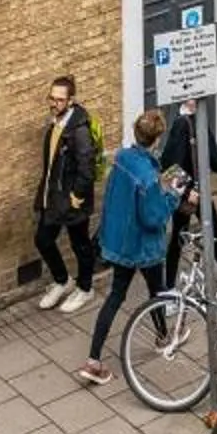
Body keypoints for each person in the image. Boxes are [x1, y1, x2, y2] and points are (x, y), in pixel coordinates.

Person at [76, 109, 177, 386]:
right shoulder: (147, 174)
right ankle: (163, 338)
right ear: (156, 139)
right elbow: (153, 216)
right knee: (156, 291)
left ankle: (93, 360)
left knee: (115, 296)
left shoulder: (121, 159)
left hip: (119, 243)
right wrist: (172, 196)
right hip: (143, 248)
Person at [161, 99, 217, 284]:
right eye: (191, 97)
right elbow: (169, 167)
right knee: (179, 236)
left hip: (198, 188)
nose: (195, 100)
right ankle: (170, 288)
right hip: (189, 192)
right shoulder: (181, 124)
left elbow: (211, 150)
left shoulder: (199, 118)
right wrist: (187, 192)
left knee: (211, 226)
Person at [31, 75, 101, 314]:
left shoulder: (79, 131)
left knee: (80, 245)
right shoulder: (57, 122)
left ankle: (85, 288)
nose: (54, 103)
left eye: (60, 99)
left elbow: (87, 168)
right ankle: (62, 281)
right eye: (51, 98)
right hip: (54, 196)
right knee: (42, 239)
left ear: (71, 101)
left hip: (71, 198)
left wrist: (76, 197)